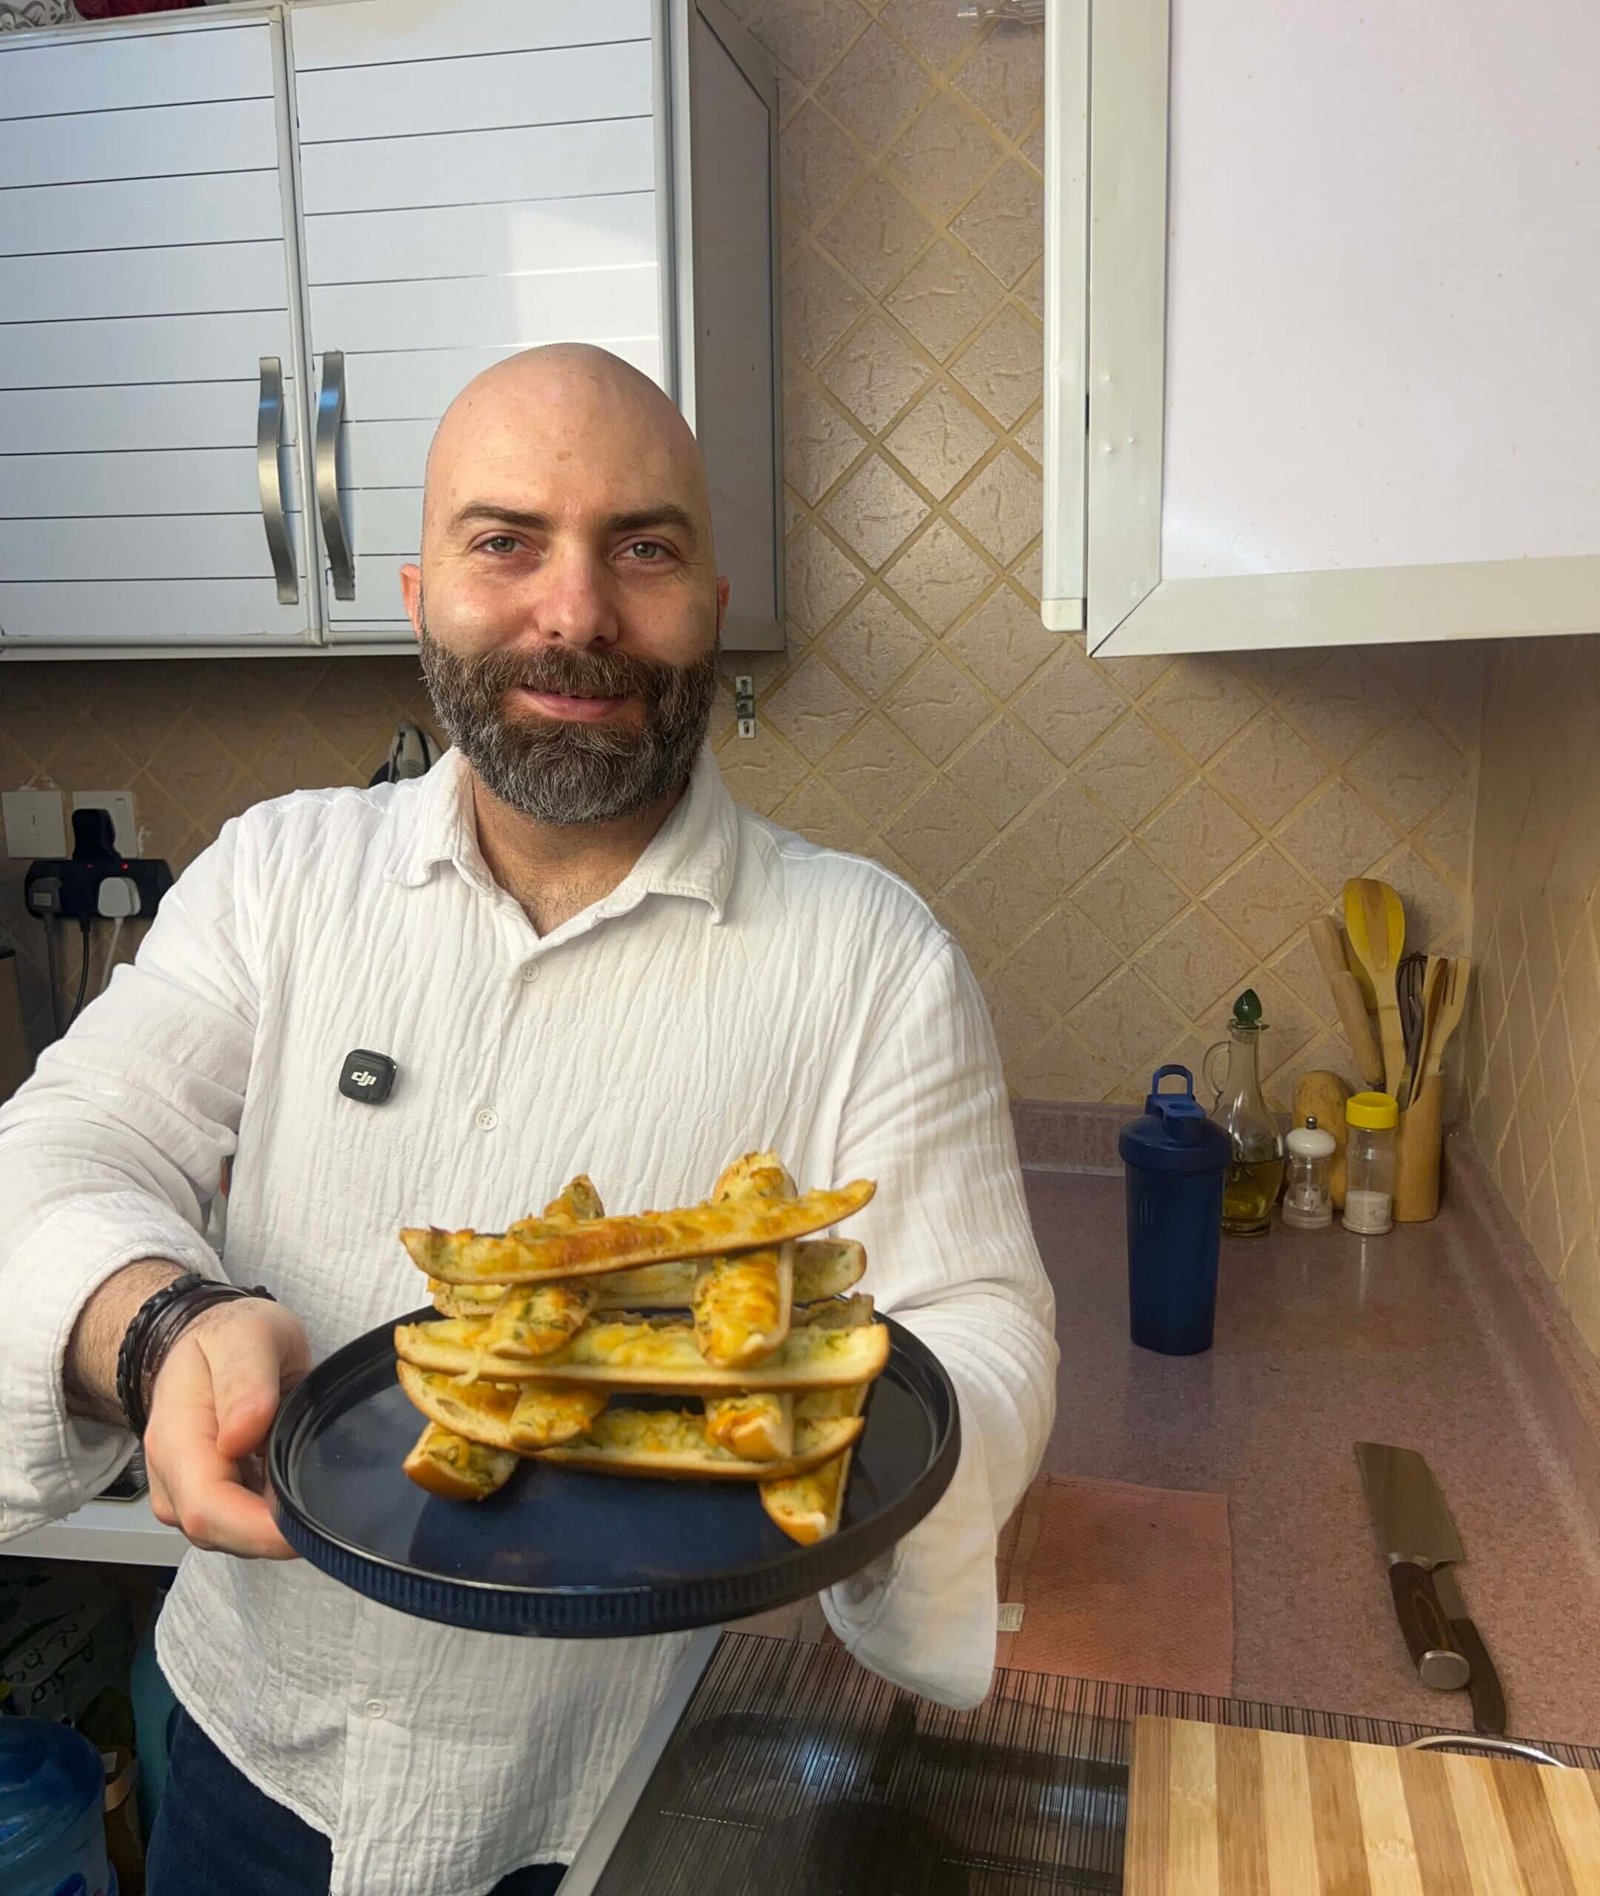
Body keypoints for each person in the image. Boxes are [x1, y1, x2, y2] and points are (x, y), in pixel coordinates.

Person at [0, 345, 1057, 1896]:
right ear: (423, 593)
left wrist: (809, 1422)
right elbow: (65, 1140)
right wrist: (159, 1328)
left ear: (712, 602)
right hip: (254, 1765)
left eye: (644, 547)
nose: (576, 613)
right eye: (508, 543)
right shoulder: (280, 876)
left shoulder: (870, 957)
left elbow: (981, 1323)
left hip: (630, 1800)